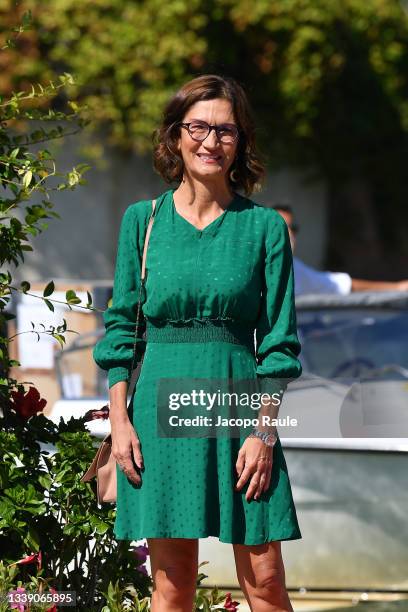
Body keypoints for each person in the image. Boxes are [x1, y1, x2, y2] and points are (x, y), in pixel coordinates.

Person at [93, 75, 302, 612]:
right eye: (198, 127)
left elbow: (279, 344)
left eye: (225, 130)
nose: (211, 141)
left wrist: (265, 433)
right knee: (173, 583)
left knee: (265, 578)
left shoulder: (263, 229)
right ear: (176, 136)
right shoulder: (143, 222)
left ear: (241, 142)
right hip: (159, 414)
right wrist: (120, 421)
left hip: (239, 413)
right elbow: (121, 331)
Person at [273, 204, 408, 296]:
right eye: (280, 226)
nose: (289, 233)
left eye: (292, 228)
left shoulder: (295, 270)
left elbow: (341, 284)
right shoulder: (254, 266)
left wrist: (398, 288)